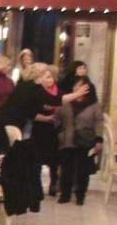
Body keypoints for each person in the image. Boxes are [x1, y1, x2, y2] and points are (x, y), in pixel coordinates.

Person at [56, 77, 103, 205]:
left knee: (83, 170)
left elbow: (99, 122)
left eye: (79, 85)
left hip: (85, 140)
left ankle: (80, 195)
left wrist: (99, 139)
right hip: (67, 140)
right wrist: (59, 132)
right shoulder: (67, 102)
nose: (76, 88)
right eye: (75, 86)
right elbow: (57, 118)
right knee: (66, 168)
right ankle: (65, 194)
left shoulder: (94, 105)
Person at [31, 64, 63, 195]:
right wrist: (46, 116)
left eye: (50, 77)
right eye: (46, 77)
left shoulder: (59, 92)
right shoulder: (36, 92)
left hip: (54, 129)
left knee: (54, 159)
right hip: (39, 128)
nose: (49, 80)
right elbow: (32, 111)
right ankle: (36, 187)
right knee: (37, 159)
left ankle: (53, 184)